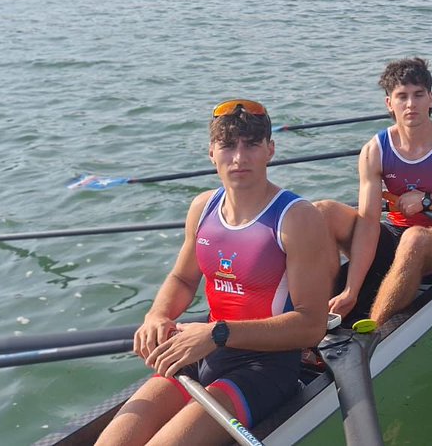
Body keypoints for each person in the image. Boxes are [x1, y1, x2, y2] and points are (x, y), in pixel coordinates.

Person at [97, 100, 337, 446]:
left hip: (264, 368)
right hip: (203, 350)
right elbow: (182, 279)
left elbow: (311, 325)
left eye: (251, 144)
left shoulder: (297, 218)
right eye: (228, 145)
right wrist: (157, 314)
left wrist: (218, 334)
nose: (239, 157)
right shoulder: (203, 207)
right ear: (212, 153)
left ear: (270, 149)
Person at [315, 58, 432, 324]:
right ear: (390, 103)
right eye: (402, 96)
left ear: (431, 99)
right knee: (322, 211)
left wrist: (429, 201)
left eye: (418, 95)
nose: (411, 104)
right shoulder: (375, 149)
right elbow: (367, 223)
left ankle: (375, 330)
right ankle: (325, 307)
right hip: (393, 233)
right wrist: (351, 289)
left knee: (414, 238)